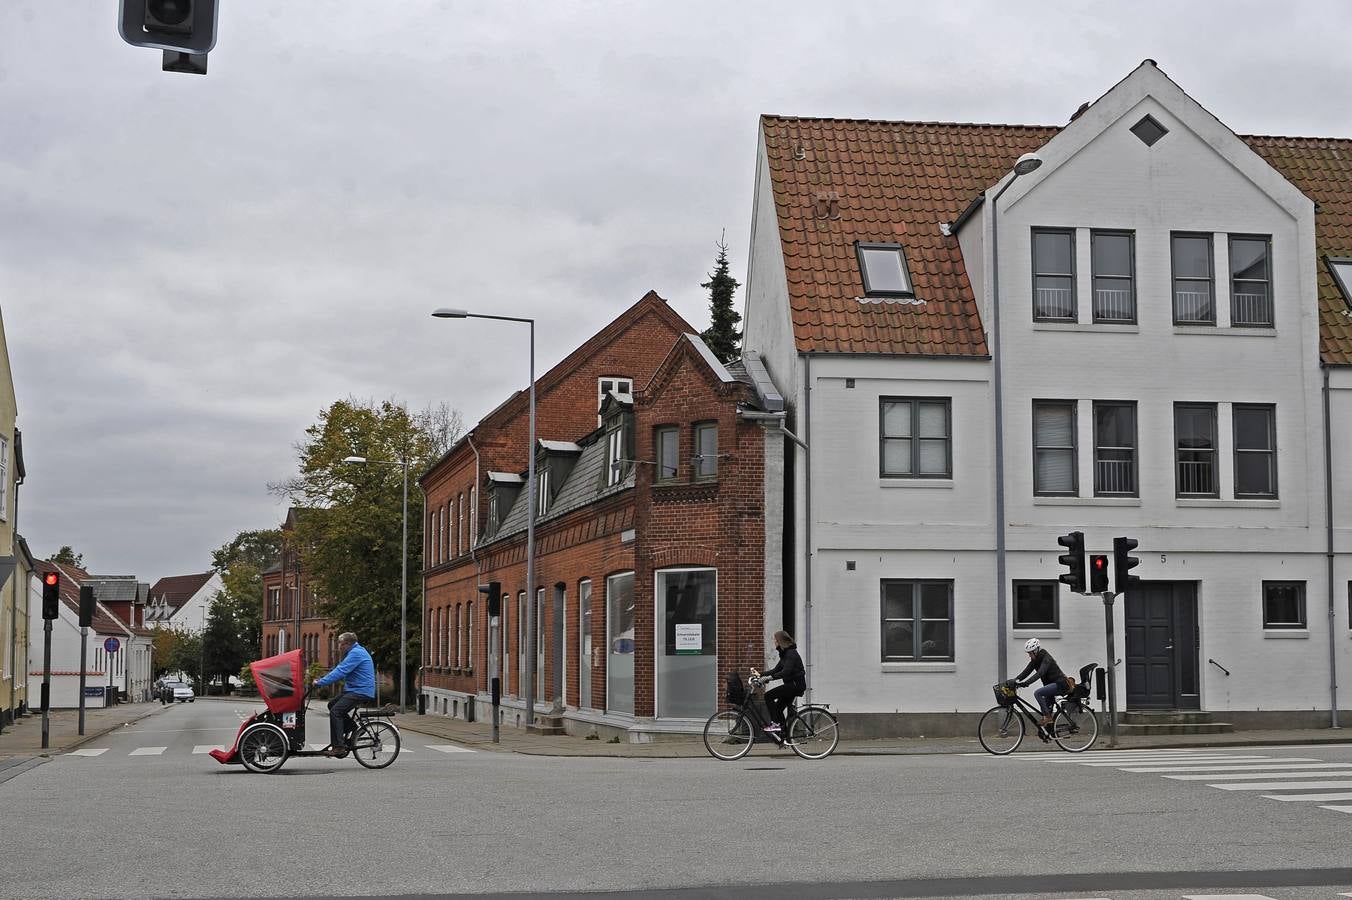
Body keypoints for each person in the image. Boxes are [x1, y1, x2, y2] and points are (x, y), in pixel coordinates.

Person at [312, 632, 375, 758]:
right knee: (332, 705)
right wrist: (323, 680)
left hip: (360, 690)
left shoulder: (356, 653)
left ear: (347, 643)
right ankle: (352, 727)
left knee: (336, 712)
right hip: (354, 689)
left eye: (340, 644)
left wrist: (321, 682)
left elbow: (341, 671)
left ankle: (339, 747)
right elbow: (340, 668)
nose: (339, 647)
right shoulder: (354, 652)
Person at [754, 630, 806, 736]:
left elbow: (786, 672)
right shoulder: (785, 654)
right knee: (778, 708)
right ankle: (784, 736)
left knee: (768, 696)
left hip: (795, 686)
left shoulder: (791, 654)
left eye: (775, 639)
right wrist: (760, 675)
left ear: (779, 641)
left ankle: (776, 725)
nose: (774, 641)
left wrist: (768, 678)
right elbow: (776, 670)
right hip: (791, 685)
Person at [1010, 637, 1067, 727]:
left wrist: (1027, 683)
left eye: (1030, 653)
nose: (1029, 655)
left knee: (1038, 693)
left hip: (1060, 684)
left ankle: (1048, 717)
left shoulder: (1046, 658)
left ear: (1035, 651)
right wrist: (1015, 680)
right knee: (1044, 708)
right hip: (1051, 685)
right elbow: (1027, 671)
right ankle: (1049, 731)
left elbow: (1040, 673)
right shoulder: (1036, 660)